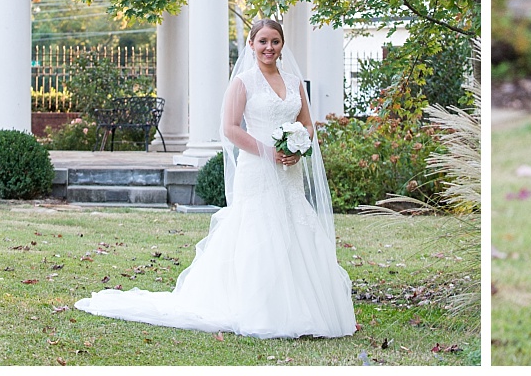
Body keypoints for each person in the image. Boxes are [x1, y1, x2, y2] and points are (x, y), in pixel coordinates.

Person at [76, 19, 356, 339]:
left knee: (296, 226)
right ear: (250, 44)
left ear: (282, 45)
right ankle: (259, 306)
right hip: (258, 168)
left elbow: (307, 124)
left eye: (275, 41)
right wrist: (268, 151)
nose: (269, 47)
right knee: (260, 229)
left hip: (288, 171)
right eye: (262, 41)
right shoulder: (243, 83)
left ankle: (308, 307)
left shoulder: (295, 84)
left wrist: (297, 146)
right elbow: (231, 129)